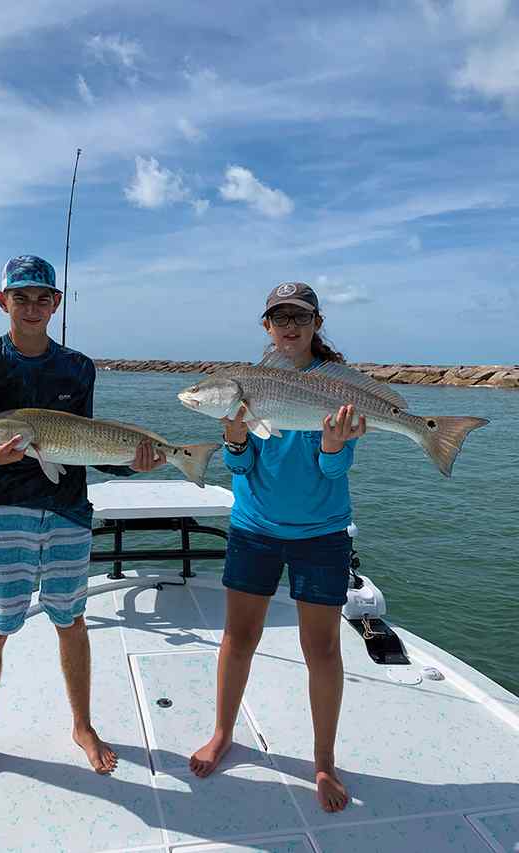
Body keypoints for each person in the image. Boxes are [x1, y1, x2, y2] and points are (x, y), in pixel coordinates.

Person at [0, 255, 166, 798]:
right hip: (0, 510)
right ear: (3, 301)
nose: (31, 307)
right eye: (20, 297)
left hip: (67, 510)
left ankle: (82, 726)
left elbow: (85, 444)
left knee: (71, 619)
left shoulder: (78, 368)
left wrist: (130, 464)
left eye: (42, 297)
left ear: (56, 304)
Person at [189, 281, 366, 813]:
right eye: (279, 318)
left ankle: (323, 761)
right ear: (266, 326)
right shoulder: (249, 384)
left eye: (300, 317)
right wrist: (234, 438)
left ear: (317, 323)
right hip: (255, 528)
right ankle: (223, 733)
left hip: (321, 534)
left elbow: (334, 471)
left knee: (323, 649)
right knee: (238, 636)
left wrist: (334, 445)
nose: (290, 326)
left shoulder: (336, 386)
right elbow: (240, 467)